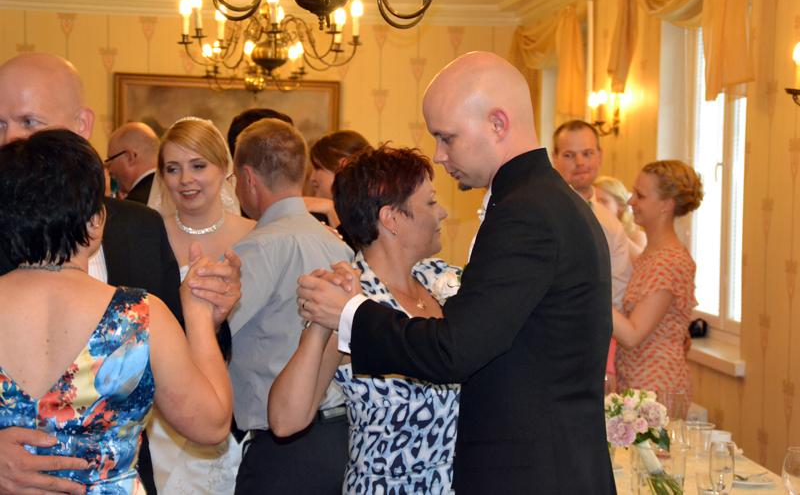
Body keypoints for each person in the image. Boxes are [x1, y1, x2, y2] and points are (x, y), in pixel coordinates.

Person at [297, 52, 616, 494]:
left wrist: (350, 312)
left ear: (498, 124)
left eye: (447, 138)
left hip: (531, 475)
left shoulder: (525, 213)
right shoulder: (549, 200)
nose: (439, 155)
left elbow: (454, 351)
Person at [0, 52, 241, 495]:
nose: (11, 135)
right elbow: (211, 424)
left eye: (28, 122)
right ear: (95, 221)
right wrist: (198, 316)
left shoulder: (142, 230)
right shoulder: (138, 314)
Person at [269, 145, 460, 494]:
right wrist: (323, 323)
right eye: (431, 202)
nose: (443, 212)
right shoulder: (351, 300)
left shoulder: (442, 280)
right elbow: (285, 421)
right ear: (391, 219)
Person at [227, 118, 354, 495]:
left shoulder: (258, 247)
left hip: (286, 453)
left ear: (248, 178)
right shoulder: (339, 246)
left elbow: (213, 336)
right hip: (339, 440)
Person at [146, 118, 256, 495]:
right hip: (166, 400)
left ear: (223, 169)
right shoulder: (147, 234)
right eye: (172, 169)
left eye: (198, 165)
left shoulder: (255, 234)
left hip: (237, 394)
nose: (185, 180)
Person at [612, 160, 703, 406]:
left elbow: (632, 335)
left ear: (667, 204)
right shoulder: (651, 254)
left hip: (656, 385)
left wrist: (591, 293)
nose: (631, 201)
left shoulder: (668, 261)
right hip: (638, 380)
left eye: (640, 195)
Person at [551, 120, 633, 310]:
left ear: (600, 156)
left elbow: (618, 285)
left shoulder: (610, 222)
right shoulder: (539, 211)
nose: (580, 162)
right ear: (555, 159)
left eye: (587, 154)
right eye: (569, 155)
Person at [302, 130, 370, 249]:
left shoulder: (372, 214)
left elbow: (355, 255)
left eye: (318, 168)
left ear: (344, 167)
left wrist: (331, 210)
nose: (312, 178)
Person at [106, 123, 159, 204]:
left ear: (129, 158)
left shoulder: (133, 205)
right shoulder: (174, 193)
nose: (110, 170)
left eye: (111, 160)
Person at [594, 175, 647, 253]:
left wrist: (613, 230)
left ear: (620, 205)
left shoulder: (636, 236)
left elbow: (639, 258)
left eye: (603, 201)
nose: (597, 206)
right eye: (593, 202)